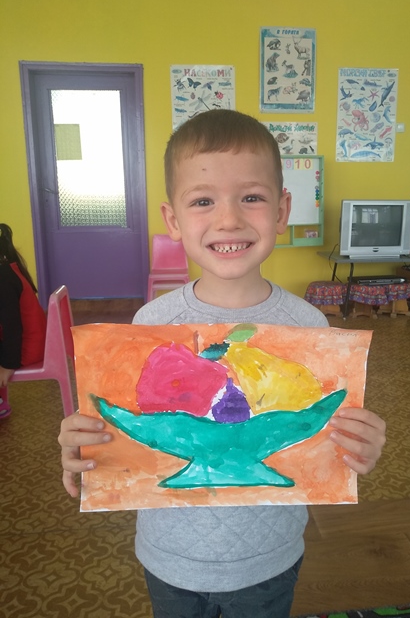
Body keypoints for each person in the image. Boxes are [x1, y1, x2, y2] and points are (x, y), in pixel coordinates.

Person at [59, 110, 386, 618]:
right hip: (168, 558)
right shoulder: (150, 323)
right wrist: (84, 446)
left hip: (269, 560)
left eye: (251, 197)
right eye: (203, 201)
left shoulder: (310, 327)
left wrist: (359, 446)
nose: (229, 219)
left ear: (282, 211)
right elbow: (123, 430)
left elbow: (324, 433)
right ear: (173, 220)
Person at [0, 223, 47, 419]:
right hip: (29, 342)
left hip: (24, 349)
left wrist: (7, 365)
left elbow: (12, 326)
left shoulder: (3, 278)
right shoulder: (8, 268)